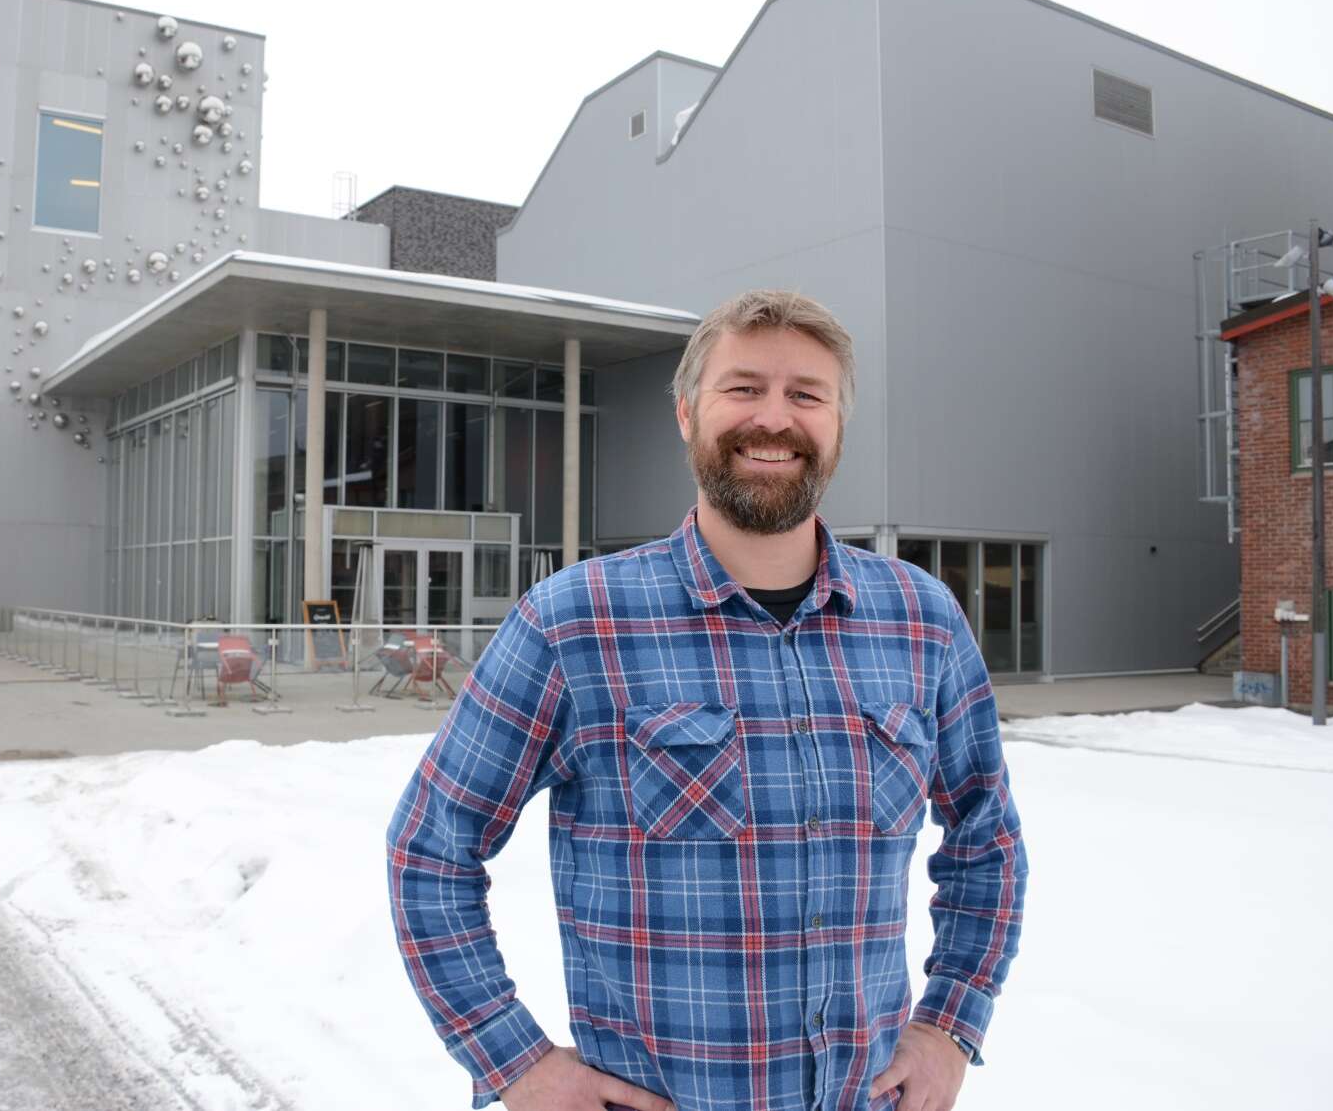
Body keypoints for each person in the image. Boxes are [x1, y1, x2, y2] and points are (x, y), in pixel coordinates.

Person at [386, 290, 1028, 1111]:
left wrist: (949, 1028)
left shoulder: (920, 619)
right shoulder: (574, 622)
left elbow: (985, 837)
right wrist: (513, 1062)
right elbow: (431, 849)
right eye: (743, 387)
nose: (774, 418)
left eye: (806, 394)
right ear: (687, 413)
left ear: (837, 425)